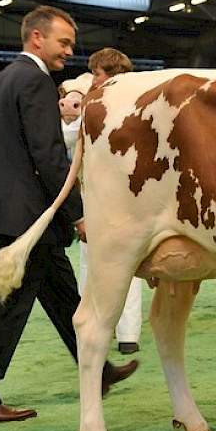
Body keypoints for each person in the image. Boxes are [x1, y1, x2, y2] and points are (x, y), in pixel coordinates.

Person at [0, 6, 137, 426]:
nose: (69, 52)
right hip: (31, 217)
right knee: (3, 307)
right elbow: (49, 156)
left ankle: (99, 368)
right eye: (63, 42)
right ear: (37, 38)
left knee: (63, 295)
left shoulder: (5, 78)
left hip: (15, 210)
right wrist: (78, 213)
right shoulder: (36, 81)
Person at [71, 48, 142, 354]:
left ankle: (110, 329)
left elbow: (70, 138)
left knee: (103, 263)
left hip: (111, 199)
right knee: (127, 265)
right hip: (125, 198)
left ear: (110, 74)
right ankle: (127, 335)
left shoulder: (104, 107)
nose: (93, 80)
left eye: (96, 74)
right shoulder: (139, 102)